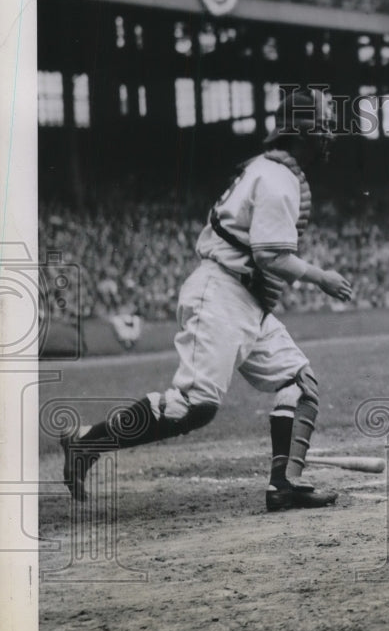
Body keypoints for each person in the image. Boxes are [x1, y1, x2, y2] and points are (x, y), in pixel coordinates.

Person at [61, 88, 354, 512]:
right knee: (194, 406)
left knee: (299, 382)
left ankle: (284, 485)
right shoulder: (277, 179)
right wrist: (320, 277)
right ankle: (87, 443)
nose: (328, 135)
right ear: (302, 130)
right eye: (323, 126)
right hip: (222, 295)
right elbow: (270, 255)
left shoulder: (270, 170)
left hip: (245, 299)